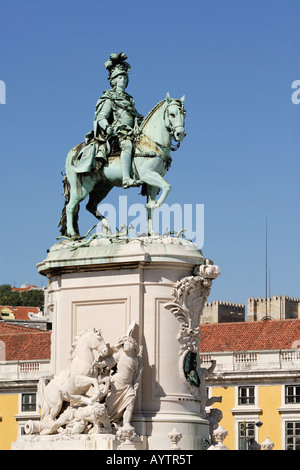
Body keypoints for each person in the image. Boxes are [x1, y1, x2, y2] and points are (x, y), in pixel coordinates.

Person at [90, 52, 144, 188]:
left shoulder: (129, 99)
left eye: (125, 78)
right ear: (113, 80)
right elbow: (101, 117)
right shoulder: (109, 97)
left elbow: (133, 116)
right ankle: (126, 179)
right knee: (128, 145)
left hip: (133, 131)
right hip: (118, 133)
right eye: (120, 78)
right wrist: (108, 127)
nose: (123, 80)